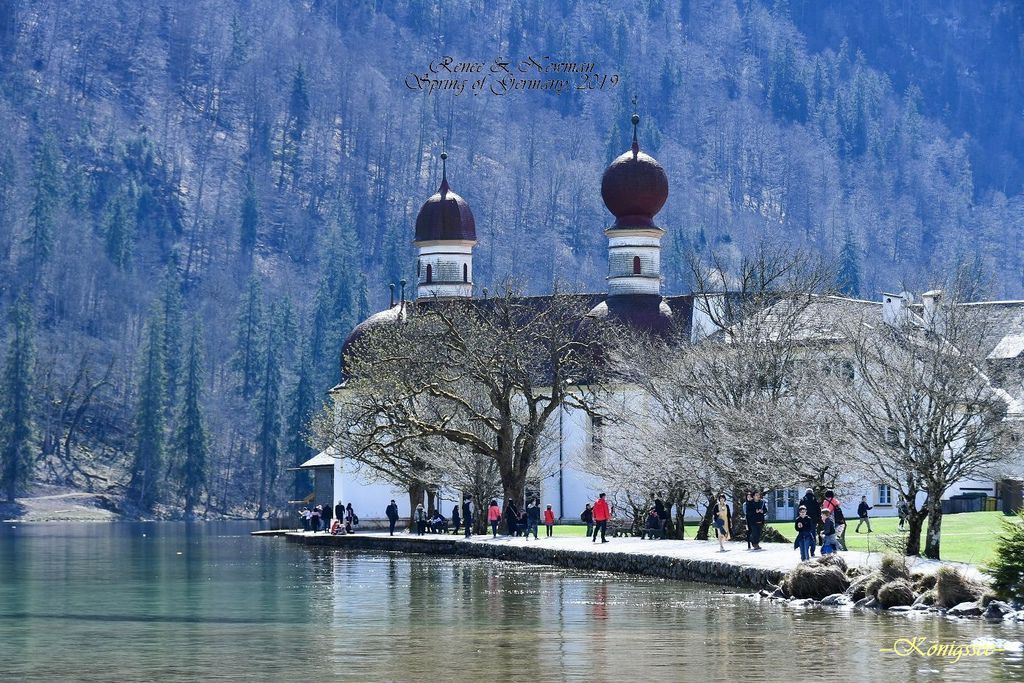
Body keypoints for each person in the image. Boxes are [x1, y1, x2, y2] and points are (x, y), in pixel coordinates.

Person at [798, 489, 820, 556]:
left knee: (803, 535)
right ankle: (812, 552)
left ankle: (805, 550)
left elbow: (799, 509)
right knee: (813, 535)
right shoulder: (814, 500)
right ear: (812, 493)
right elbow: (818, 510)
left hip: (804, 520)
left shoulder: (803, 500)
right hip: (813, 521)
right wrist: (818, 519)